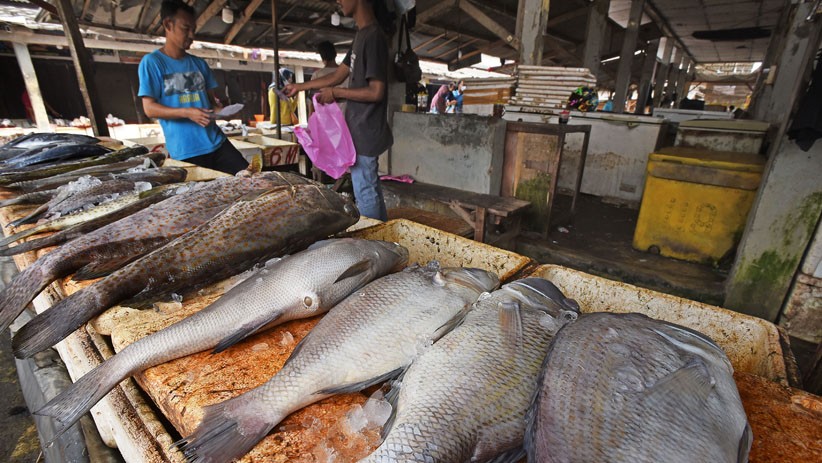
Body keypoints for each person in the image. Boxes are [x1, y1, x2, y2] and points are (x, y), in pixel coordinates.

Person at [284, 0, 393, 221]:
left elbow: (376, 91)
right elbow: (336, 75)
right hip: (359, 130)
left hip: (367, 130)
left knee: (366, 192)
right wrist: (299, 87)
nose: (338, 1)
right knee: (367, 189)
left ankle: (375, 245)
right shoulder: (361, 36)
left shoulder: (373, 37)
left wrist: (336, 93)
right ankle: (382, 239)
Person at [138, 0, 250, 175]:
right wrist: (187, 112)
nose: (191, 35)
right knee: (206, 198)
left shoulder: (200, 64)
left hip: (216, 142)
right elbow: (149, 108)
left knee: (251, 179)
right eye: (185, 28)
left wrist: (225, 113)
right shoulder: (152, 63)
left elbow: (212, 105)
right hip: (185, 151)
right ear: (168, 25)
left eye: (193, 30)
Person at [310, 41, 348, 114]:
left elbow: (313, 102)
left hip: (325, 119)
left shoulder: (317, 75)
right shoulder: (346, 73)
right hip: (345, 118)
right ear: (335, 54)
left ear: (322, 56)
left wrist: (310, 120)